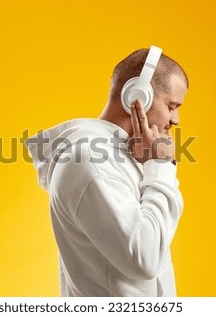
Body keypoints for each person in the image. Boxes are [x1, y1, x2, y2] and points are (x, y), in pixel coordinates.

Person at [25, 47, 189, 296]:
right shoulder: (91, 161)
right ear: (138, 96)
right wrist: (161, 166)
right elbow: (143, 258)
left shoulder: (117, 155)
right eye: (172, 105)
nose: (175, 119)